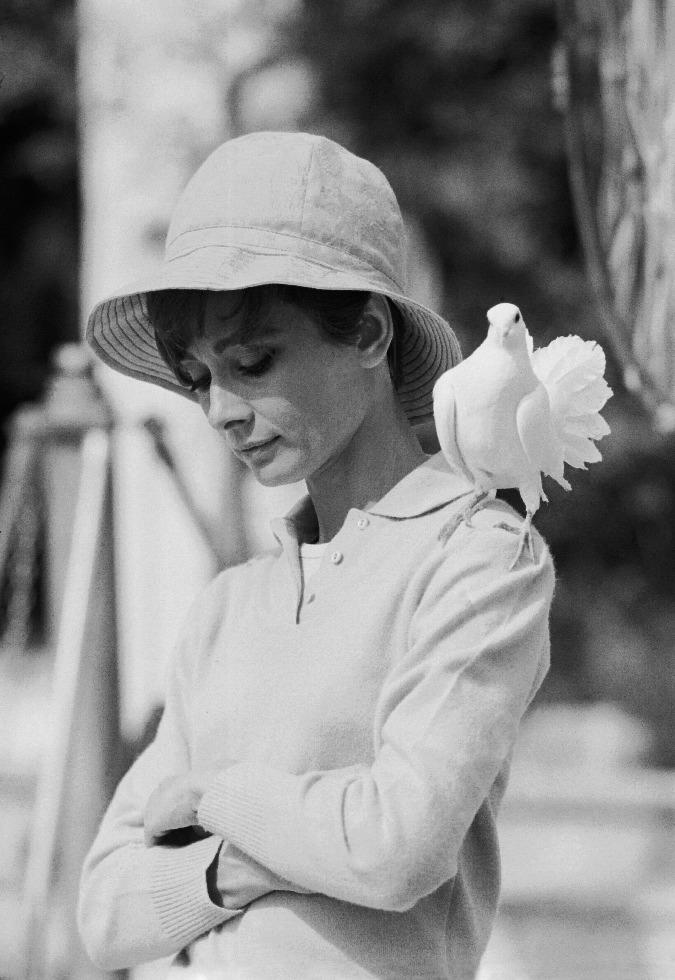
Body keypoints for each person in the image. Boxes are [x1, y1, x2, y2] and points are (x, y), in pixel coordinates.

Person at [78, 131, 555, 979]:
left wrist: (211, 792)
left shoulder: (478, 556)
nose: (220, 410)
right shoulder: (228, 604)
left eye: (253, 362)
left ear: (368, 332)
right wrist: (236, 864)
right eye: (196, 377)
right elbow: (106, 911)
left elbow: (398, 849)